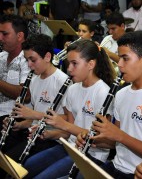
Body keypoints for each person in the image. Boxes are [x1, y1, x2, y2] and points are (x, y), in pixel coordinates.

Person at [76, 31, 142, 178]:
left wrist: (120, 136)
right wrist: (93, 140)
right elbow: (116, 142)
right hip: (116, 166)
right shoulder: (121, 94)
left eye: (125, 58)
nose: (119, 64)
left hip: (138, 174)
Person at [23, 39, 115, 178]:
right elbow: (69, 132)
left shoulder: (103, 92)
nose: (69, 69)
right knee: (28, 165)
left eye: (74, 64)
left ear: (91, 64)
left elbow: (104, 141)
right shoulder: (72, 89)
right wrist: (50, 134)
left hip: (91, 155)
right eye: (68, 63)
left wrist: (63, 124)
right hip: (71, 148)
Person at [1, 34, 69, 164]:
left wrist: (34, 114)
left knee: (14, 163)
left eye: (33, 60)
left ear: (48, 57)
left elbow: (68, 119)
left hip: (53, 140)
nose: (29, 65)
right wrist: (19, 124)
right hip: (34, 134)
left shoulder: (63, 81)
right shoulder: (34, 80)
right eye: (27, 60)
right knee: (6, 158)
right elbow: (31, 120)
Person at [0, 14, 30, 131]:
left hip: (13, 119)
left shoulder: (28, 60)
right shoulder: (1, 56)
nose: (0, 38)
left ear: (19, 36)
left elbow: (25, 95)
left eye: (5, 34)